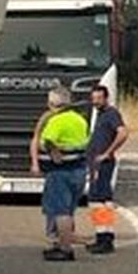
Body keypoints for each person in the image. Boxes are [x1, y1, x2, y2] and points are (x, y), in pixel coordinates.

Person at [29, 86, 90, 261]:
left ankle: (65, 249)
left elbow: (47, 141)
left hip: (60, 172)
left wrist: (54, 154)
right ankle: (64, 242)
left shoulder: (56, 121)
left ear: (52, 103)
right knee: (69, 210)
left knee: (59, 211)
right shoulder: (80, 120)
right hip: (78, 170)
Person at [85, 84, 130, 254]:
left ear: (106, 98)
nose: (95, 102)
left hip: (102, 164)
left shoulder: (111, 114)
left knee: (98, 201)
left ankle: (104, 238)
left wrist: (107, 153)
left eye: (99, 98)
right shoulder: (100, 115)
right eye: (93, 99)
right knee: (101, 200)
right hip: (96, 163)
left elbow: (123, 132)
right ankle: (104, 237)